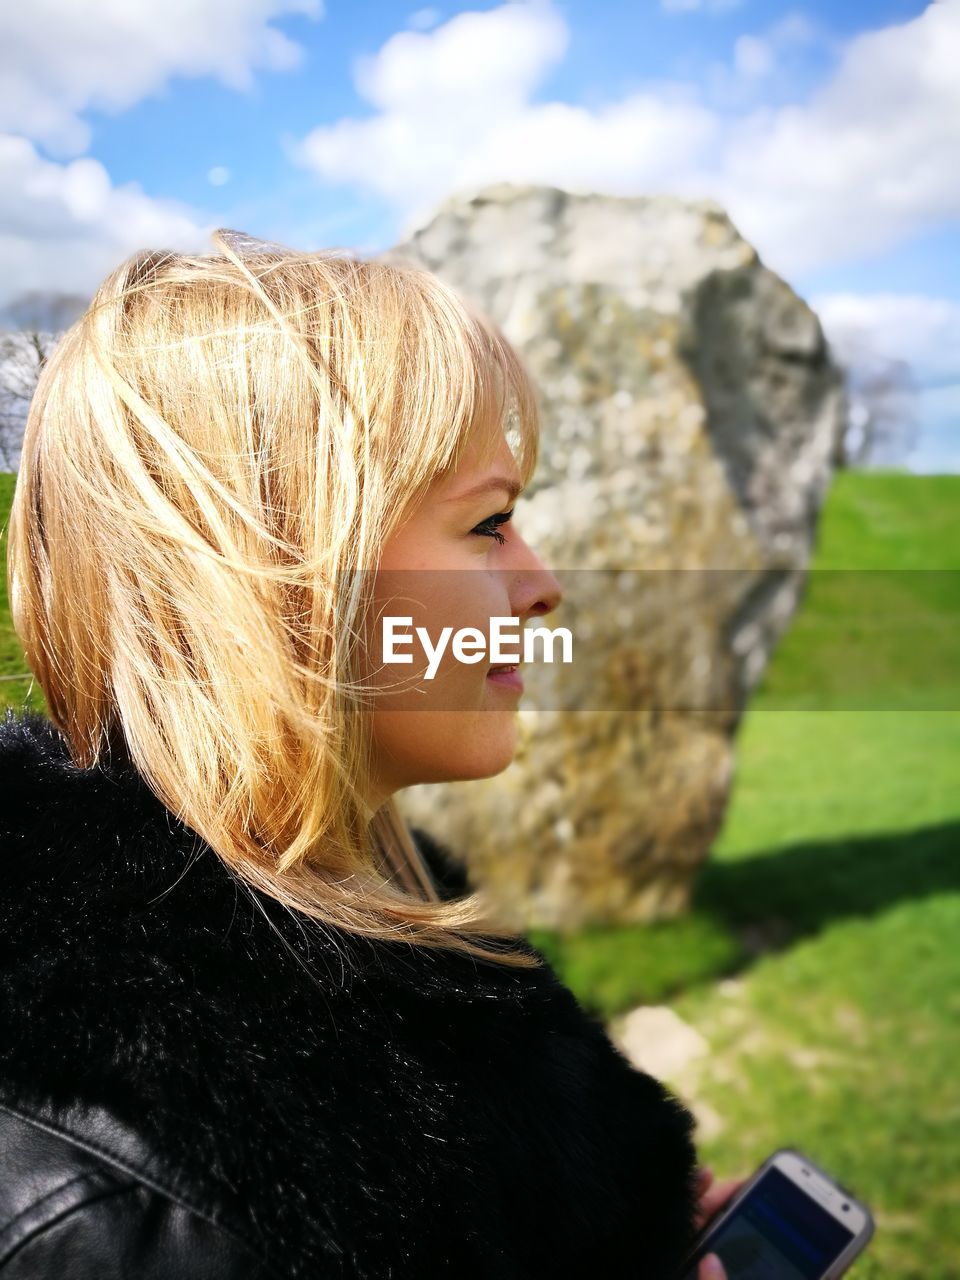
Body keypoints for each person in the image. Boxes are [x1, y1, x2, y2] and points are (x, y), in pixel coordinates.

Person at [0, 231, 741, 1277]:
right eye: (489, 523)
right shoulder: (119, 1215)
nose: (542, 584)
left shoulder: (413, 953)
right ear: (280, 578)